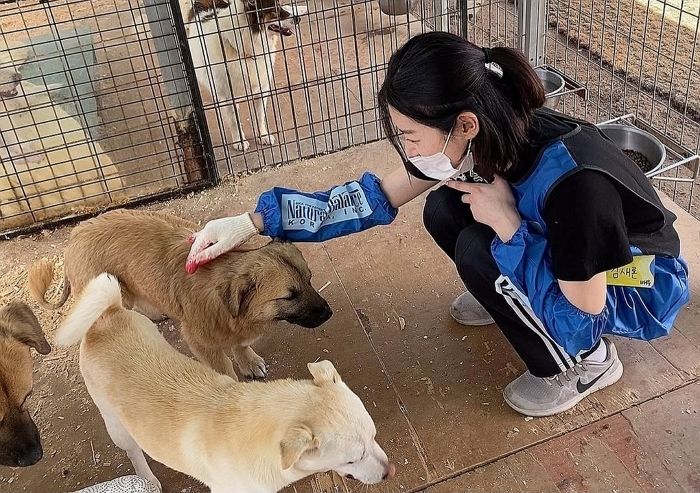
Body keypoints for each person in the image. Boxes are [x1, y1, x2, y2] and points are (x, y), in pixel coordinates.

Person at [185, 32, 690, 417]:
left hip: (633, 279)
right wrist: (252, 220)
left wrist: (509, 227)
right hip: (573, 254)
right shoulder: (490, 133)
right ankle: (510, 294)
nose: (405, 151)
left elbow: (585, 315)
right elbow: (370, 198)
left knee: (483, 249)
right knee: (445, 209)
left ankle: (586, 367)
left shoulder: (576, 188)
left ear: (463, 124)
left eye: (409, 136)